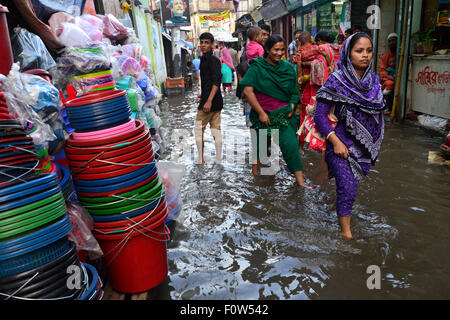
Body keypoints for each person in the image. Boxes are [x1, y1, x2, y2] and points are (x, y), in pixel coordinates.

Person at [314, 32, 386, 240]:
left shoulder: (373, 81)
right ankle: (346, 236)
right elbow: (320, 115)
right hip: (338, 142)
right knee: (348, 186)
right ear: (348, 53)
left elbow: (377, 112)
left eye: (369, 51)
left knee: (346, 188)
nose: (365, 55)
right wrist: (335, 142)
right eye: (359, 51)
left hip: (361, 147)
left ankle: (333, 210)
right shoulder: (336, 80)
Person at [239, 35, 315, 189]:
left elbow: (294, 92)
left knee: (291, 146)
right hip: (263, 115)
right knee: (260, 147)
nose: (279, 53)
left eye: (282, 50)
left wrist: (292, 106)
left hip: (284, 115)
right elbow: (247, 90)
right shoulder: (257, 67)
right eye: (275, 49)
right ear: (267, 50)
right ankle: (255, 177)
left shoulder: (287, 67)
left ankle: (300, 182)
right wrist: (261, 113)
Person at [298, 31, 339, 155]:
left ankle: (302, 147)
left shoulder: (318, 51)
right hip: (333, 88)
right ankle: (325, 148)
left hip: (315, 90)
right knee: (330, 118)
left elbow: (309, 75)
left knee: (307, 116)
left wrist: (300, 78)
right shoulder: (337, 49)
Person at [195, 32, 224, 164]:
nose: (203, 45)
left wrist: (208, 100)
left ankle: (201, 159)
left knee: (198, 129)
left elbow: (216, 82)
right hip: (213, 100)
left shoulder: (213, 60)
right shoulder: (204, 60)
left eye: (206, 43)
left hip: (211, 103)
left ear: (212, 45)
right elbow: (208, 82)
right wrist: (203, 95)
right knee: (215, 130)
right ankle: (218, 158)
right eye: (202, 42)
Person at [379, 33, 397, 113]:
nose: (392, 43)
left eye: (393, 40)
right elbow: (383, 72)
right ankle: (385, 106)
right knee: (389, 84)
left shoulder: (400, 54)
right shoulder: (385, 56)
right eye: (390, 41)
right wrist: (391, 77)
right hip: (388, 78)